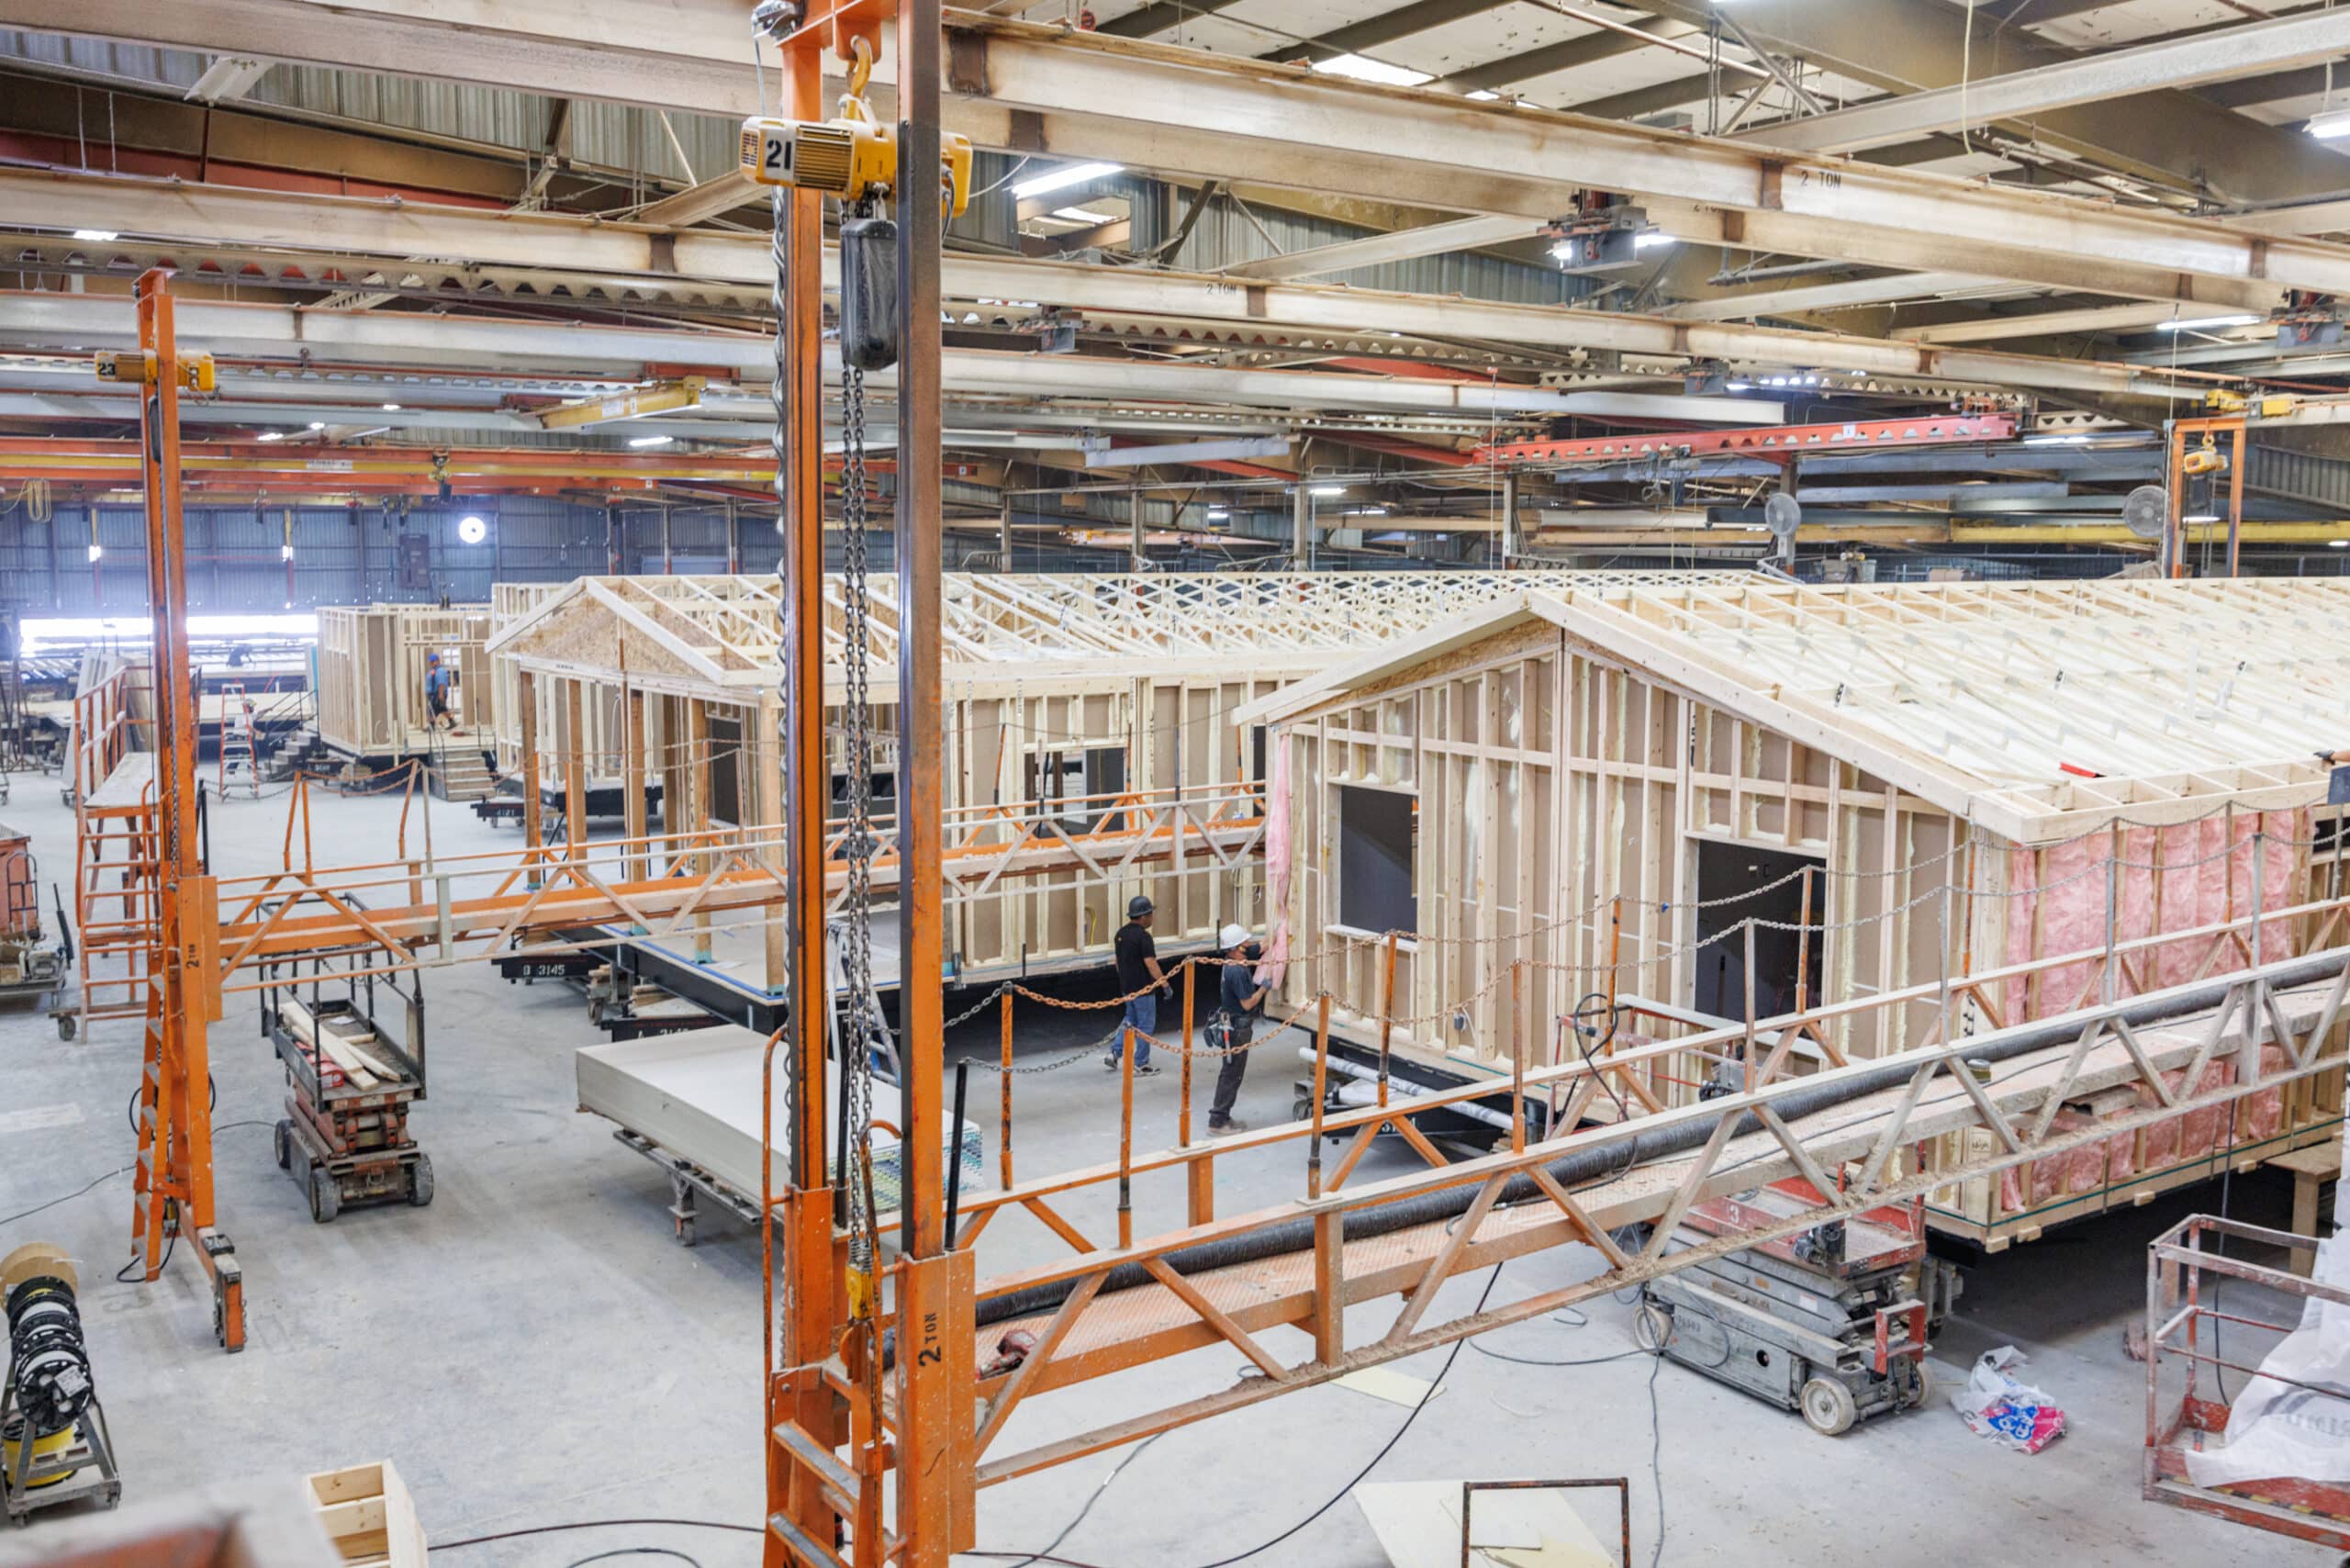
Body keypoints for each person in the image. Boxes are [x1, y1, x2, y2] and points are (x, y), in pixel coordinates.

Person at [1207, 922, 1268, 1137]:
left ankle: (1222, 1116)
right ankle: (1218, 1121)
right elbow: (1247, 1004)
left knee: (1231, 1073)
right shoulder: (1237, 972)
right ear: (1234, 949)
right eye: (1244, 945)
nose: (1248, 947)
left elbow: (1259, 947)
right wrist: (1263, 989)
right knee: (1231, 1074)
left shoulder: (1231, 960)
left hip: (1231, 1025)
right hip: (1237, 1029)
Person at [1107, 894, 1171, 1075]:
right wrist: (1165, 985)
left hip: (1127, 988)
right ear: (1143, 916)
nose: (1151, 917)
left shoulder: (1120, 934)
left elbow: (1118, 962)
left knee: (1129, 1021)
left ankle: (1114, 1053)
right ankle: (1141, 1063)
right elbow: (1151, 963)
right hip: (1144, 989)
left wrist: (1125, 981)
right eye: (1150, 914)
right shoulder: (1143, 937)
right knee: (1145, 1025)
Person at [424, 653, 453, 731]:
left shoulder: (440, 671)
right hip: (434, 694)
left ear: (437, 661)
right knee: (441, 709)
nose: (431, 663)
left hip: (437, 693)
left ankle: (431, 727)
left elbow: (441, 683)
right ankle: (452, 721)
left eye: (433, 661)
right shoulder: (434, 670)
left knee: (431, 710)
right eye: (430, 662)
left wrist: (440, 694)